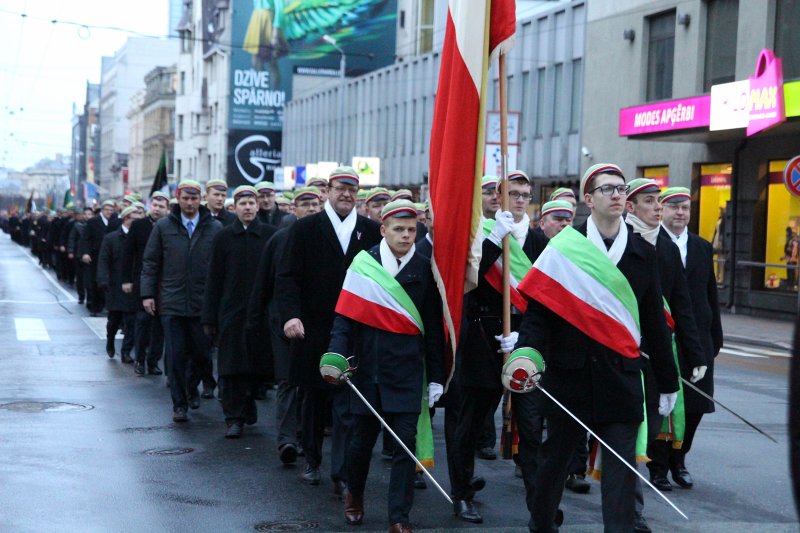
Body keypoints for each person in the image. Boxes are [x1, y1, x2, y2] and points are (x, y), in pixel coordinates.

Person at [504, 164, 679, 532]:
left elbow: (654, 324)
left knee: (621, 473)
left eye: (621, 189)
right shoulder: (563, 249)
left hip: (622, 378)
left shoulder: (643, 253)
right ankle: (542, 523)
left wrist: (668, 382)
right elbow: (539, 314)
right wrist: (525, 352)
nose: (617, 195)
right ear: (588, 199)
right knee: (554, 464)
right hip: (570, 378)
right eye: (608, 189)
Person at [329, 199, 444, 533]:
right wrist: (335, 357)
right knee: (360, 443)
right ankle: (355, 495)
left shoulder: (425, 267)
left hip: (408, 374)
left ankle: (398, 517)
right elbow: (344, 320)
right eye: (399, 229)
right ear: (383, 229)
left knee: (404, 447)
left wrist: (436, 377)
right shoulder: (363, 264)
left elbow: (434, 328)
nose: (407, 236)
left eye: (412, 230)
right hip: (367, 372)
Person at [275, 167, 381, 490]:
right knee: (313, 398)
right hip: (313, 327)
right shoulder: (305, 229)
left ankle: (342, 471)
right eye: (340, 188)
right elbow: (287, 277)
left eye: (352, 189)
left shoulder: (370, 231)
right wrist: (291, 315)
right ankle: (312, 458)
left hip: (354, 328)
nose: (346, 194)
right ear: (328, 192)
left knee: (347, 402)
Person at [452, 171, 548, 523]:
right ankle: (461, 494)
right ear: (498, 195)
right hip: (484, 339)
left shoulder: (538, 240)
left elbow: (545, 294)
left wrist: (526, 335)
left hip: (525, 341)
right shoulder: (480, 234)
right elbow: (467, 281)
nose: (520, 200)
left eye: (525, 194)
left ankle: (540, 506)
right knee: (471, 424)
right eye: (513, 193)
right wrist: (493, 240)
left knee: (533, 428)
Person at [625, 179, 707, 531]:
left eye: (660, 201)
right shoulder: (616, 241)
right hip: (618, 351)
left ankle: (632, 511)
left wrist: (696, 351)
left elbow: (683, 305)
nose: (658, 207)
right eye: (650, 201)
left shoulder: (668, 248)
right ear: (630, 206)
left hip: (658, 354)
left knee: (644, 433)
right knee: (616, 435)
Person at [650, 186, 723, 489]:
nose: (680, 213)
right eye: (674, 207)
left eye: (685, 208)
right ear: (662, 210)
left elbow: (711, 294)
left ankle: (680, 459)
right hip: (665, 335)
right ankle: (658, 466)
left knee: (696, 405)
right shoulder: (652, 243)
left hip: (698, 338)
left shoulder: (702, 246)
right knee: (663, 403)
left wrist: (715, 337)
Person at [248, 186, 323, 463]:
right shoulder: (279, 239)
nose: (312, 209)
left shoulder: (326, 239)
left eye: (316, 204)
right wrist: (255, 321)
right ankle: (287, 440)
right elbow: (263, 284)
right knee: (287, 381)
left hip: (314, 323)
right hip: (281, 322)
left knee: (310, 384)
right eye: (305, 204)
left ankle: (305, 436)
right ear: (294, 208)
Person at [141, 180, 223, 422]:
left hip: (202, 303)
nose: (190, 203)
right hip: (172, 302)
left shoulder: (214, 227)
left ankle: (191, 388)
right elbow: (151, 262)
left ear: (201, 200)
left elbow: (220, 267)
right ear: (178, 199)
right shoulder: (164, 227)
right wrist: (147, 294)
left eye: (194, 198)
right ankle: (179, 404)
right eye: (185, 198)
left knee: (201, 354)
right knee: (176, 355)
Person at [203, 185, 277, 438]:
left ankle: (248, 403)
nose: (248, 207)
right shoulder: (223, 237)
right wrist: (209, 317)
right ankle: (233, 417)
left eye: (251, 203)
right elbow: (213, 278)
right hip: (230, 312)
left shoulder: (270, 235)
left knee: (256, 365)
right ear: (233, 208)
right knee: (231, 366)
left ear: (258, 206)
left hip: (261, 313)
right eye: (242, 203)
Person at [121, 192, 170, 376]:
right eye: (155, 205)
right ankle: (139, 359)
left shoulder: (169, 226)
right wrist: (126, 279)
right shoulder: (139, 226)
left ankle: (153, 361)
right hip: (142, 279)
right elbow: (128, 253)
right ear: (150, 206)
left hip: (164, 282)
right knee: (142, 322)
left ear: (167, 208)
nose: (157, 209)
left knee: (159, 326)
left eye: (161, 206)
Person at [97, 205, 144, 362]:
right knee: (114, 320)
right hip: (115, 285)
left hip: (133, 284)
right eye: (134, 219)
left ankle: (125, 351)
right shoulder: (111, 238)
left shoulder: (140, 237)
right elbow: (103, 260)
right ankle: (110, 340)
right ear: (125, 219)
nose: (138, 222)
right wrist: (103, 280)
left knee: (131, 321)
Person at [79, 200, 120, 315]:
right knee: (94, 281)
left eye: (111, 210)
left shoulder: (115, 222)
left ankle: (106, 305)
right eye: (107, 210)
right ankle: (94, 307)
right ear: (102, 210)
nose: (109, 212)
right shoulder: (93, 222)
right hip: (95, 256)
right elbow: (86, 239)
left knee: (108, 281)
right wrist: (85, 253)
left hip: (110, 256)